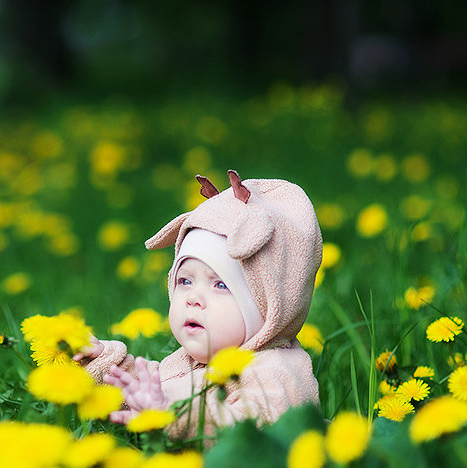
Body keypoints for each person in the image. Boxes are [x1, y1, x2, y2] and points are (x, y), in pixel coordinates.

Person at [75, 170, 323, 441]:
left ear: (268, 307)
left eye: (220, 285)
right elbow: (148, 391)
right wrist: (103, 363)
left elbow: (251, 435)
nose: (193, 298)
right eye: (185, 281)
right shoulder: (186, 362)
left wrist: (175, 415)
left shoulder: (275, 373)